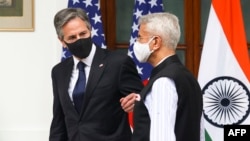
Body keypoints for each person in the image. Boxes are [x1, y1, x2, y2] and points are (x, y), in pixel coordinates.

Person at [49, 8, 143, 141]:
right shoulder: (59, 71)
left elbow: (143, 100)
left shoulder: (118, 63)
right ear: (62, 41)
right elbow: (59, 119)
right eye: (72, 37)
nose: (79, 39)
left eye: (83, 34)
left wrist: (136, 101)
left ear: (90, 30)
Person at [131, 12, 203, 141]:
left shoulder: (163, 81)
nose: (136, 43)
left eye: (140, 37)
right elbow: (199, 132)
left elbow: (162, 137)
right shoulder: (188, 77)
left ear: (156, 42)